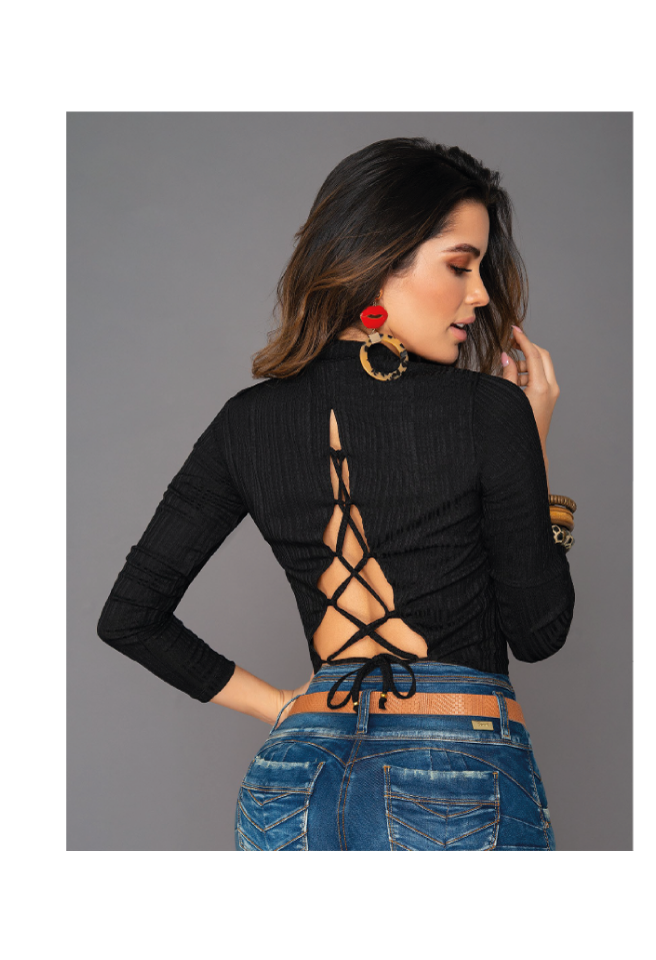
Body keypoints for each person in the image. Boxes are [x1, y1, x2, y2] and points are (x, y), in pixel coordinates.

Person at [97, 136, 576, 851]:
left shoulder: (246, 419)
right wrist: (535, 457)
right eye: (460, 265)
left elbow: (129, 618)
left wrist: (284, 708)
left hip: (292, 782)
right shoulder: (491, 410)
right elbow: (539, 632)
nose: (479, 294)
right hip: (451, 785)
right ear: (379, 261)